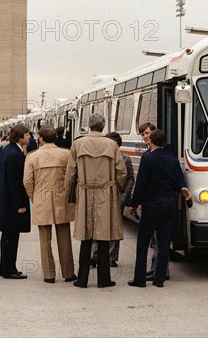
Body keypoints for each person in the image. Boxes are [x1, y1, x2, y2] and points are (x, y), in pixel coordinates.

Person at [65, 113, 127, 288]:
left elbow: (70, 172)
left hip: (85, 191)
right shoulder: (112, 144)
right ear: (103, 125)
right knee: (104, 235)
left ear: (89, 126)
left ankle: (82, 278)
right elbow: (122, 172)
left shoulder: (77, 144)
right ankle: (104, 279)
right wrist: (118, 188)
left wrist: (69, 193)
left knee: (86, 236)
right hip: (106, 193)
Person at [128, 129, 191, 288]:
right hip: (168, 204)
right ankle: (159, 279)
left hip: (152, 204)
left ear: (153, 141)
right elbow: (179, 183)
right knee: (164, 243)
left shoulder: (147, 159)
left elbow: (141, 184)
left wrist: (134, 204)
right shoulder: (172, 160)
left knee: (143, 243)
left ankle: (140, 279)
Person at [24, 125, 76, 284]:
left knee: (44, 239)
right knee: (64, 237)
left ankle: (49, 275)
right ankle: (68, 273)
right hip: (62, 198)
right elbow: (72, 177)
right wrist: (67, 194)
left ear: (40, 138)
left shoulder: (32, 157)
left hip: (42, 198)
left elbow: (27, 181)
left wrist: (34, 197)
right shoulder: (66, 154)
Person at [0, 124, 32, 279]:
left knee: (8, 237)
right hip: (11, 205)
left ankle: (7, 268)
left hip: (5, 202)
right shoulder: (15, 154)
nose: (29, 137)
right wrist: (20, 205)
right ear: (20, 136)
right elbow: (15, 182)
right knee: (11, 237)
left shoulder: (8, 150)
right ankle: (10, 270)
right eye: (27, 134)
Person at [91, 132, 134, 268]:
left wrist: (125, 194)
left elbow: (131, 178)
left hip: (118, 196)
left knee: (115, 226)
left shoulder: (125, 158)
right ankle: (95, 255)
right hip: (102, 195)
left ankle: (111, 257)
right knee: (98, 225)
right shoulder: (101, 158)